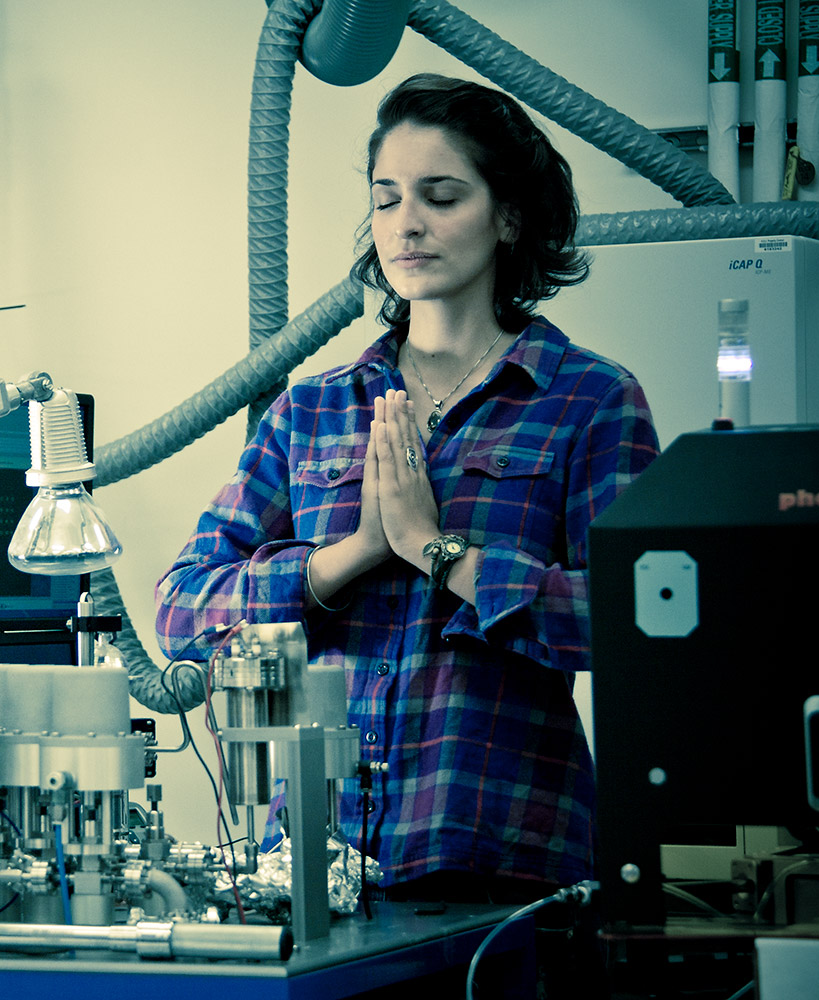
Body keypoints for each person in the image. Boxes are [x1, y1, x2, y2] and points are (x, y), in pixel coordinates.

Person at [154, 74, 660, 903]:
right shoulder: (311, 408)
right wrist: (347, 556)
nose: (407, 224)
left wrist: (440, 552)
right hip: (317, 866)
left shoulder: (591, 401)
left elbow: (633, 622)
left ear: (508, 216)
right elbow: (182, 608)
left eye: (441, 195)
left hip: (504, 862)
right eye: (386, 200)